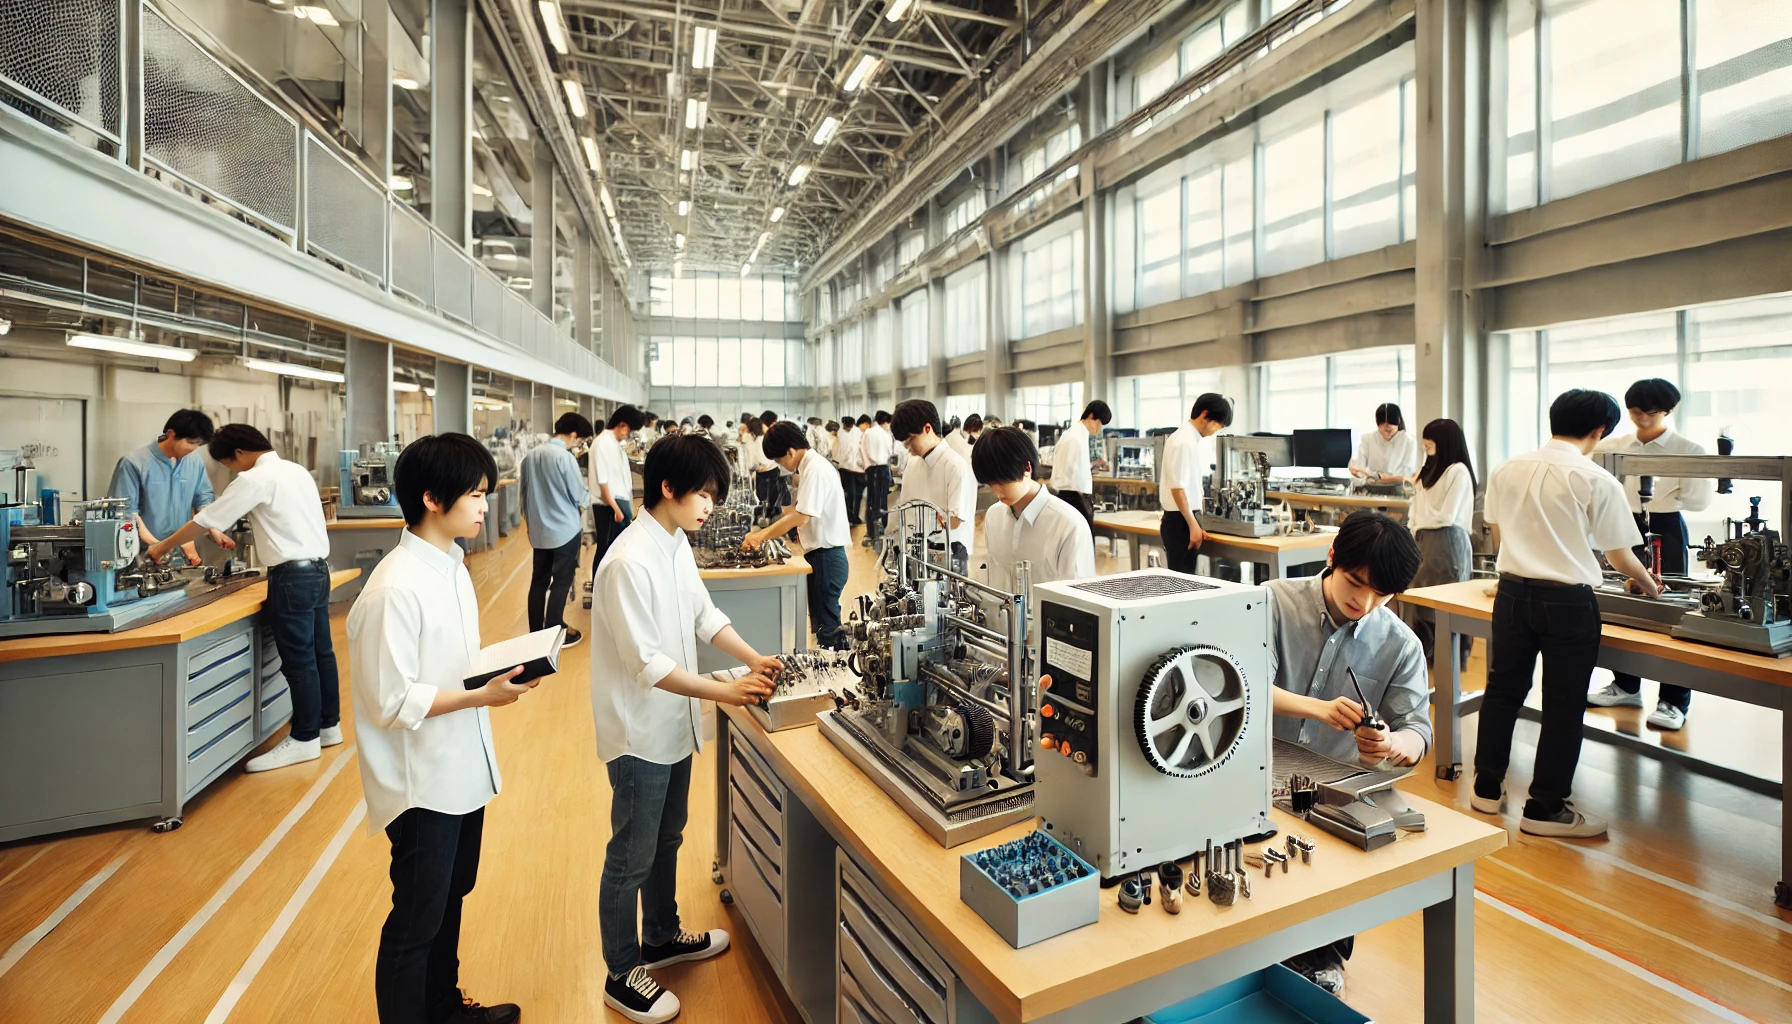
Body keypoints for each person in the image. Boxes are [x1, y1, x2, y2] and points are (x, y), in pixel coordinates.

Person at [590, 436, 781, 1024]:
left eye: (714, 496)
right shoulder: (626, 561)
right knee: (631, 853)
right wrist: (725, 691)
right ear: (668, 489)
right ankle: (621, 972)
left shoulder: (673, 545)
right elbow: (647, 665)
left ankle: (662, 936)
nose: (711, 507)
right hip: (638, 733)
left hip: (674, 724)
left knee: (668, 836)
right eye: (703, 494)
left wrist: (753, 659)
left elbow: (706, 618)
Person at [348, 433, 535, 1024]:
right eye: (476, 494)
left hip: (462, 768)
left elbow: (452, 664)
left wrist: (495, 673)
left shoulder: (451, 566)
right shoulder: (394, 587)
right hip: (421, 782)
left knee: (452, 897)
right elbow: (392, 701)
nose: (485, 505)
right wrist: (482, 694)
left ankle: (445, 1008)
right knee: (416, 920)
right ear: (432, 498)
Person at [1473, 389, 1660, 839]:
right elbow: (1619, 556)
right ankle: (1544, 808)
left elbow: (1499, 534)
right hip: (1568, 602)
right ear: (1600, 432)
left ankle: (1485, 786)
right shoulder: (1597, 479)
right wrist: (1651, 585)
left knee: (1502, 690)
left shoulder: (1506, 468)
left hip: (1512, 593)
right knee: (1563, 705)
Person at [1262, 510, 1430, 994]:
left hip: (1334, 788)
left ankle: (1324, 957)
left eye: (1383, 594)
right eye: (1356, 583)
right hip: (1254, 769)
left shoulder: (1400, 644)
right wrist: (1319, 709)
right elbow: (1242, 683)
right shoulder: (1273, 602)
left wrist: (1394, 743)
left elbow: (1417, 729)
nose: (1366, 601)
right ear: (1332, 557)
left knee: (1332, 872)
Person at [146, 425, 339, 773]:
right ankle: (329, 727)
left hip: (291, 578)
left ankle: (304, 739)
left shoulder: (254, 479)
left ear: (238, 454)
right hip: (318, 571)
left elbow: (206, 521)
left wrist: (161, 546)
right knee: (321, 653)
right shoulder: (295, 471)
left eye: (228, 464)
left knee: (299, 662)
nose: (233, 471)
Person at [1588, 378, 1713, 730]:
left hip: (1667, 525)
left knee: (1671, 609)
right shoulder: (1611, 446)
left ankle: (1673, 701)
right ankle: (1626, 686)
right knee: (1620, 604)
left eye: (1649, 412)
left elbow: (1699, 500)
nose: (1640, 418)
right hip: (1621, 522)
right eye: (1634, 411)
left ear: (1667, 411)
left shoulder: (1688, 449)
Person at [745, 423, 852, 649]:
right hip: (823, 555)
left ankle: (839, 674)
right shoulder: (813, 466)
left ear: (790, 451)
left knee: (828, 631)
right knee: (824, 627)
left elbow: (802, 516)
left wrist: (760, 536)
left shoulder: (815, 469)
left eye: (780, 460)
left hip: (827, 557)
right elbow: (805, 514)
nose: (782, 466)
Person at [972, 427, 1095, 596]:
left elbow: (1080, 600)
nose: (996, 491)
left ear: (1026, 468)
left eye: (1002, 481)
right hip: (1000, 620)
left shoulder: (1069, 525)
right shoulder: (994, 517)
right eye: (990, 484)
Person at [108, 409, 235, 566]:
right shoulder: (134, 463)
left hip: (181, 558)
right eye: (191, 442)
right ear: (171, 434)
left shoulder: (194, 462)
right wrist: (158, 546)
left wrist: (213, 530)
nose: (194, 449)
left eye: (198, 444)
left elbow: (203, 499)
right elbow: (125, 513)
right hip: (142, 558)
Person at [1402, 419, 1477, 663]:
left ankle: (1450, 659)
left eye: (1430, 446)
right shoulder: (1429, 471)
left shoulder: (1457, 471)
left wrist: (1420, 522)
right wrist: (1414, 528)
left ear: (1444, 444)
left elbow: (1447, 515)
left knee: (1446, 602)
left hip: (1447, 542)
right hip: (1423, 539)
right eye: (1425, 447)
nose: (1427, 452)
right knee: (1421, 599)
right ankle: (1426, 657)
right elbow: (1416, 507)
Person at [519, 412, 592, 647]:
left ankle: (535, 633)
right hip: (564, 530)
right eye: (579, 440)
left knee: (538, 581)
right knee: (561, 580)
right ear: (572, 435)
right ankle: (554, 629)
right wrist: (588, 499)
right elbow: (578, 494)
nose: (578, 444)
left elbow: (524, 494)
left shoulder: (530, 456)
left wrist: (530, 523)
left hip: (539, 531)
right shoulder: (564, 457)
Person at [892, 399, 977, 575]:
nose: (908, 448)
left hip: (949, 556)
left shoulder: (955, 466)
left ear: (928, 429)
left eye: (910, 440)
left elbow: (954, 522)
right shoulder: (912, 464)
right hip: (916, 552)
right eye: (905, 443)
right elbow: (906, 512)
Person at [1158, 393, 1232, 575]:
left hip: (1183, 519)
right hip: (1179, 521)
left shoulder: (1189, 439)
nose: (1217, 430)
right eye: (1218, 424)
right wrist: (1193, 525)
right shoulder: (1184, 441)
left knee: (1186, 580)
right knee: (1182, 583)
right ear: (1205, 414)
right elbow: (1177, 488)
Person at [590, 405, 646, 578]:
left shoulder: (613, 443)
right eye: (629, 430)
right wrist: (616, 509)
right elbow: (603, 482)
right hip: (609, 506)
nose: (628, 435)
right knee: (606, 549)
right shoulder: (603, 443)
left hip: (617, 504)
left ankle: (608, 587)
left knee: (614, 550)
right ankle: (599, 589)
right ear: (622, 424)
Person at [1052, 400, 1110, 530]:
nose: (1098, 429)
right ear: (1091, 416)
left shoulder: (1078, 435)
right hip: (1074, 497)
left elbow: (1075, 467)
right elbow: (1069, 473)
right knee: (1080, 544)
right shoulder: (1074, 438)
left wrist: (1091, 464)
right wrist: (1083, 501)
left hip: (1076, 496)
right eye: (1099, 423)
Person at [1349, 403, 1420, 484]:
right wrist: (1372, 476)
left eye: (1391, 422)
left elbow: (1409, 474)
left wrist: (1382, 478)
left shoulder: (1409, 441)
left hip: (1400, 489)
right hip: (1371, 488)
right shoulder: (1367, 439)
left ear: (1398, 422)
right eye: (1382, 423)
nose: (1387, 426)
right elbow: (1359, 468)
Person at [862, 412, 894, 546]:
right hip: (880, 468)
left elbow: (864, 451)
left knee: (873, 501)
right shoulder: (879, 433)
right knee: (881, 501)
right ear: (885, 421)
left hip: (873, 469)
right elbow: (889, 453)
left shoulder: (869, 433)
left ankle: (872, 531)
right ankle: (878, 531)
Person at [835, 413, 866, 528]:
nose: (846, 427)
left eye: (849, 425)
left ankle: (855, 516)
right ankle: (848, 516)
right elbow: (840, 450)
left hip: (858, 468)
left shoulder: (858, 432)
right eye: (845, 425)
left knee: (858, 494)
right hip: (845, 468)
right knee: (849, 494)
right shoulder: (840, 433)